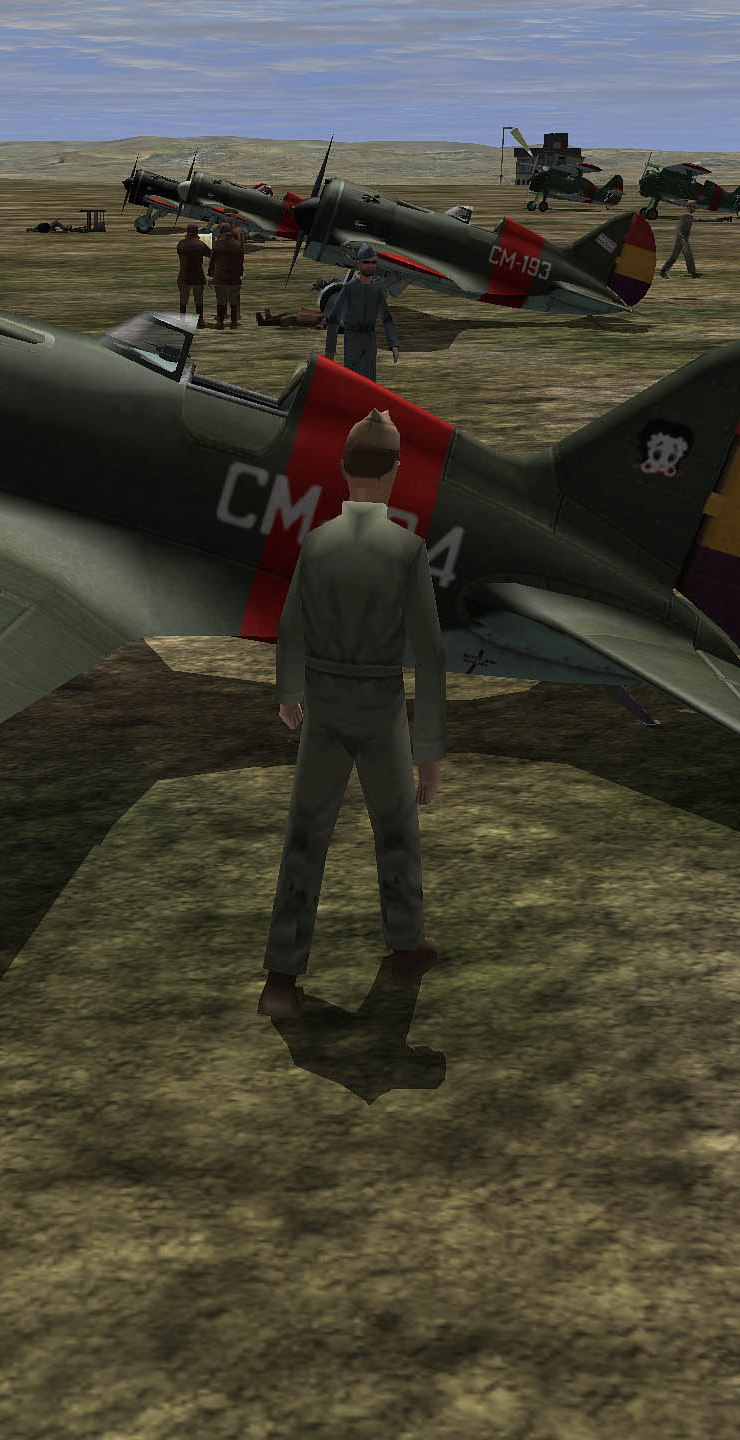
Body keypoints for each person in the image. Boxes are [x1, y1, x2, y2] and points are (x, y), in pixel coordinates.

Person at [259, 410, 445, 1020]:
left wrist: (289, 693)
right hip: (380, 707)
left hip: (324, 704)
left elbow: (290, 626)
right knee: (396, 832)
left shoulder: (316, 543)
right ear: (395, 473)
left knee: (305, 836)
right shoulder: (407, 550)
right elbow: (431, 655)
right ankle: (405, 945)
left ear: (342, 470)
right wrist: (428, 753)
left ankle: (281, 975)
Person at [321, 248, 400, 381]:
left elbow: (386, 318)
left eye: (373, 262)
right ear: (359, 263)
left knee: (370, 379)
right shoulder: (349, 288)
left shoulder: (377, 289)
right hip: (352, 339)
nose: (370, 266)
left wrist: (393, 344)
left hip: (370, 339)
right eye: (366, 262)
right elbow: (334, 319)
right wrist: (330, 351)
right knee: (352, 379)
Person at [209, 224, 247, 328]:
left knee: (220, 300)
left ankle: (220, 323)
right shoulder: (237, 245)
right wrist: (240, 274)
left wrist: (210, 275)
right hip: (234, 277)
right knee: (233, 300)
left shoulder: (217, 244)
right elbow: (240, 262)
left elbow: (212, 261)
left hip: (220, 277)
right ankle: (233, 323)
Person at [175, 226, 212, 322]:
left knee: (183, 301)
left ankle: (182, 321)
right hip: (197, 276)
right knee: (198, 300)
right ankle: (200, 321)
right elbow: (211, 254)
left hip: (184, 276)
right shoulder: (200, 244)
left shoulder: (181, 244)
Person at [660, 206, 699, 278]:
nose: (695, 209)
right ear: (689, 208)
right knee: (677, 256)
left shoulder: (689, 217)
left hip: (684, 239)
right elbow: (678, 228)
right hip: (682, 239)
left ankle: (692, 272)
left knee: (687, 255)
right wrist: (682, 239)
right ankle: (663, 271)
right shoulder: (686, 217)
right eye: (693, 207)